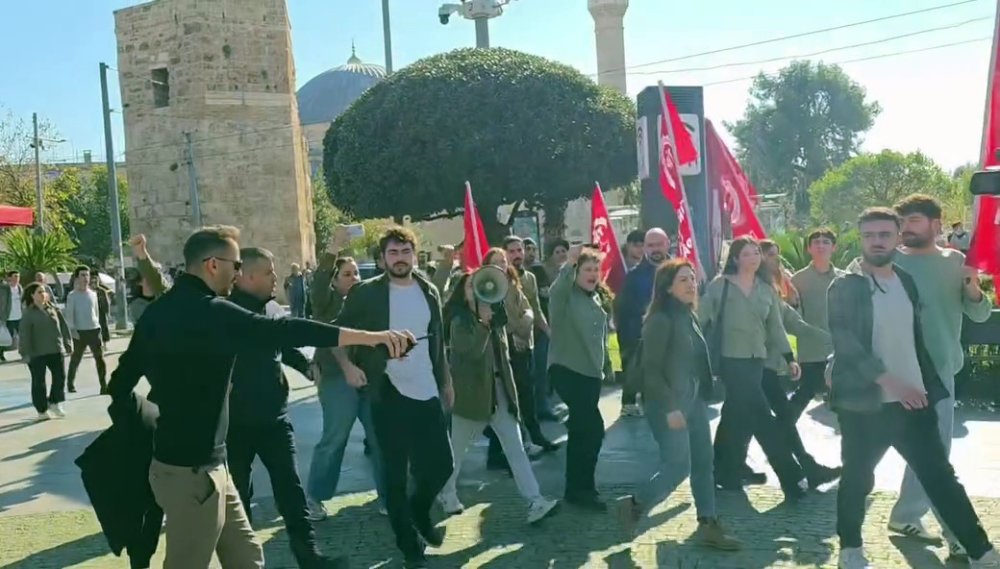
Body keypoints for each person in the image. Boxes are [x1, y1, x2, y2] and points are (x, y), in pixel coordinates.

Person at [107, 225, 412, 569]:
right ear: (212, 265)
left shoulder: (162, 313)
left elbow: (119, 384)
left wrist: (155, 414)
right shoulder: (213, 311)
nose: (237, 274)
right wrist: (374, 337)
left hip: (206, 465)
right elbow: (287, 330)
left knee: (248, 558)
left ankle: (309, 556)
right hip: (191, 474)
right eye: (235, 265)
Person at [829, 207, 1000, 569]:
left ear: (896, 238)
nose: (877, 241)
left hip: (914, 403)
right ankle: (851, 551)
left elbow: (915, 340)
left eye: (885, 234)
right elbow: (847, 346)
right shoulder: (845, 286)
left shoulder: (905, 280)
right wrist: (894, 383)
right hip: (866, 405)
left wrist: (922, 385)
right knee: (857, 479)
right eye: (870, 235)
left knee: (941, 478)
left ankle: (981, 551)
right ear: (861, 239)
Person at [332, 226, 455, 569]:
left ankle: (419, 508)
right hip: (386, 391)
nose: (399, 259)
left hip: (426, 387)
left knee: (442, 464)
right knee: (395, 475)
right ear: (382, 258)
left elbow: (436, 341)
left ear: (415, 255)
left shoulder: (428, 290)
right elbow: (335, 333)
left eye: (405, 252)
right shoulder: (366, 293)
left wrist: (445, 381)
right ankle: (409, 546)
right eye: (393, 253)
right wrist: (347, 368)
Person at [887, 195, 992, 561]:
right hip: (894, 377)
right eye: (903, 221)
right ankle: (956, 533)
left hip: (939, 375)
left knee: (934, 456)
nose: (906, 228)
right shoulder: (886, 262)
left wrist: (972, 286)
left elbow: (979, 316)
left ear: (936, 223)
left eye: (914, 220)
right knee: (933, 460)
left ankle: (906, 516)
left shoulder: (957, 263)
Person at [225, 246, 343, 569]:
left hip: (274, 419)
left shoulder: (273, 309)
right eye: (268, 272)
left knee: (290, 491)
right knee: (238, 498)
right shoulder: (224, 313)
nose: (276, 276)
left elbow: (285, 343)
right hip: (234, 425)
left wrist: (305, 365)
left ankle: (310, 558)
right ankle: (242, 562)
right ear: (246, 277)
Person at [618, 258, 741, 550]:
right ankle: (634, 505)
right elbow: (652, 370)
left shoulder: (688, 315)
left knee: (703, 463)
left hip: (693, 401)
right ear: (668, 288)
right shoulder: (660, 320)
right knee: (677, 466)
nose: (691, 284)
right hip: (666, 404)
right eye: (683, 280)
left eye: (692, 279)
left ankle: (708, 523)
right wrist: (672, 407)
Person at [438, 271, 560, 524]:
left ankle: (535, 500)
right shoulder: (460, 321)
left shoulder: (496, 318)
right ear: (463, 292)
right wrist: (483, 325)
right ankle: (447, 493)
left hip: (499, 394)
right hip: (471, 398)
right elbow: (468, 353)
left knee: (516, 450)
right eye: (471, 287)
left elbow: (505, 361)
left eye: (480, 286)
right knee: (456, 452)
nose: (477, 291)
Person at [698, 236, 805, 501]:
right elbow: (701, 319)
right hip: (731, 361)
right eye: (747, 253)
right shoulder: (720, 286)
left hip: (757, 359)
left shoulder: (765, 288)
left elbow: (776, 328)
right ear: (735, 258)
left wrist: (789, 358)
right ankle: (791, 476)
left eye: (756, 252)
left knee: (735, 415)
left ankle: (722, 471)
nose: (754, 258)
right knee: (762, 417)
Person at [745, 240, 841, 489]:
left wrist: (834, 341)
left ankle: (727, 465)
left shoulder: (769, 287)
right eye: (771, 256)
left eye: (777, 254)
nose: (776, 260)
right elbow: (780, 327)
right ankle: (800, 471)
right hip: (753, 365)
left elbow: (793, 322)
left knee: (744, 421)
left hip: (767, 364)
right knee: (776, 420)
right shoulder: (750, 289)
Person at [307, 231, 388, 521]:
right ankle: (314, 498)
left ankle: (388, 496)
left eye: (356, 273)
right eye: (346, 274)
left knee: (380, 437)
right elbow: (317, 284)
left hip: (369, 380)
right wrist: (332, 250)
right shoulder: (325, 301)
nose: (353, 278)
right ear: (335, 278)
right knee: (334, 438)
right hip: (336, 380)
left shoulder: (365, 300)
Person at [548, 245, 613, 511]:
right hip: (567, 368)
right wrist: (570, 262)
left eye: (596, 269)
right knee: (592, 428)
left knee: (581, 431)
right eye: (587, 269)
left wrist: (607, 366)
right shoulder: (565, 295)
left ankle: (578, 488)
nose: (593, 274)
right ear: (576, 272)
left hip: (590, 372)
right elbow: (557, 288)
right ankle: (581, 488)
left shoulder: (594, 298)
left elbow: (599, 338)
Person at [614, 228, 671, 419]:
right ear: (645, 248)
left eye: (659, 244)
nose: (655, 249)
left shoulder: (679, 270)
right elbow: (624, 310)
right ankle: (630, 403)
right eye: (651, 245)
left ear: (667, 244)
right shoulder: (634, 276)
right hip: (641, 335)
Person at [789, 228, 844, 417]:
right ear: (809, 249)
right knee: (805, 393)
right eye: (816, 242)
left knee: (844, 401)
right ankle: (783, 430)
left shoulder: (844, 279)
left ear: (834, 247)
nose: (821, 246)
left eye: (826, 242)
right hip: (812, 350)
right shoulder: (797, 280)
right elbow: (792, 316)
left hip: (841, 349)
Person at [18, 282, 72, 421]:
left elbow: (64, 327)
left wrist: (67, 343)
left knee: (60, 377)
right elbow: (24, 335)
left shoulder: (53, 309)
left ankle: (54, 402)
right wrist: (25, 353)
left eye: (44, 292)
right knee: (38, 382)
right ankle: (42, 410)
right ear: (32, 295)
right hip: (37, 353)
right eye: (39, 292)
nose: (43, 295)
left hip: (55, 349)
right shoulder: (29, 313)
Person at [65, 266, 108, 394]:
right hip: (80, 332)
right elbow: (69, 315)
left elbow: (95, 312)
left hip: (94, 330)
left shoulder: (93, 294)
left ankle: (103, 385)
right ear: (77, 277)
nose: (85, 278)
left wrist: (99, 327)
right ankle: (70, 384)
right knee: (76, 359)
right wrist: (73, 330)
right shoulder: (72, 296)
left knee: (100, 359)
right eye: (83, 275)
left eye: (87, 275)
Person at [0, 271, 24, 362]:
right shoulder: (4, 289)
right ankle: (1, 354)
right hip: (8, 317)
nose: (17, 278)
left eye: (18, 276)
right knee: (5, 337)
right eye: (15, 276)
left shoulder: (20, 288)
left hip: (19, 316)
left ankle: (24, 353)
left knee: (22, 336)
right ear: (9, 278)